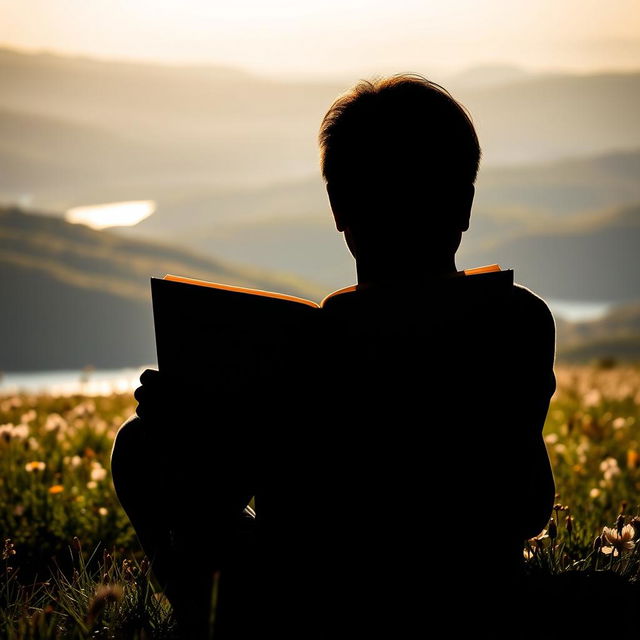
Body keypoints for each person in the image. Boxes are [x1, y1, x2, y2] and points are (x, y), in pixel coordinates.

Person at [111, 74, 556, 639]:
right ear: (464, 205)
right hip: (472, 596)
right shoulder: (517, 321)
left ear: (339, 209)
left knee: (140, 448)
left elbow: (234, 501)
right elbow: (527, 504)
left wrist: (193, 433)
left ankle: (214, 620)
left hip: (309, 599)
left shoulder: (307, 345)